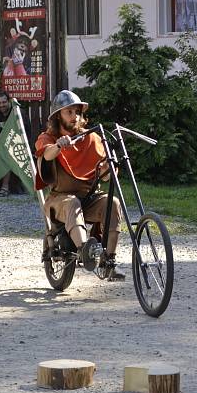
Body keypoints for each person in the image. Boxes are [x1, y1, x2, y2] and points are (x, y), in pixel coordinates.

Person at [34, 90, 125, 280]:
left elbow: (107, 177)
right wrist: (59, 146)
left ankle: (109, 261)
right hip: (60, 199)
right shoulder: (48, 137)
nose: (75, 116)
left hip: (90, 198)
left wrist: (108, 169)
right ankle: (85, 250)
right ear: (58, 115)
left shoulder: (91, 138)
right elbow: (46, 153)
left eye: (77, 112)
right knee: (72, 202)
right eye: (69, 112)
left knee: (113, 203)